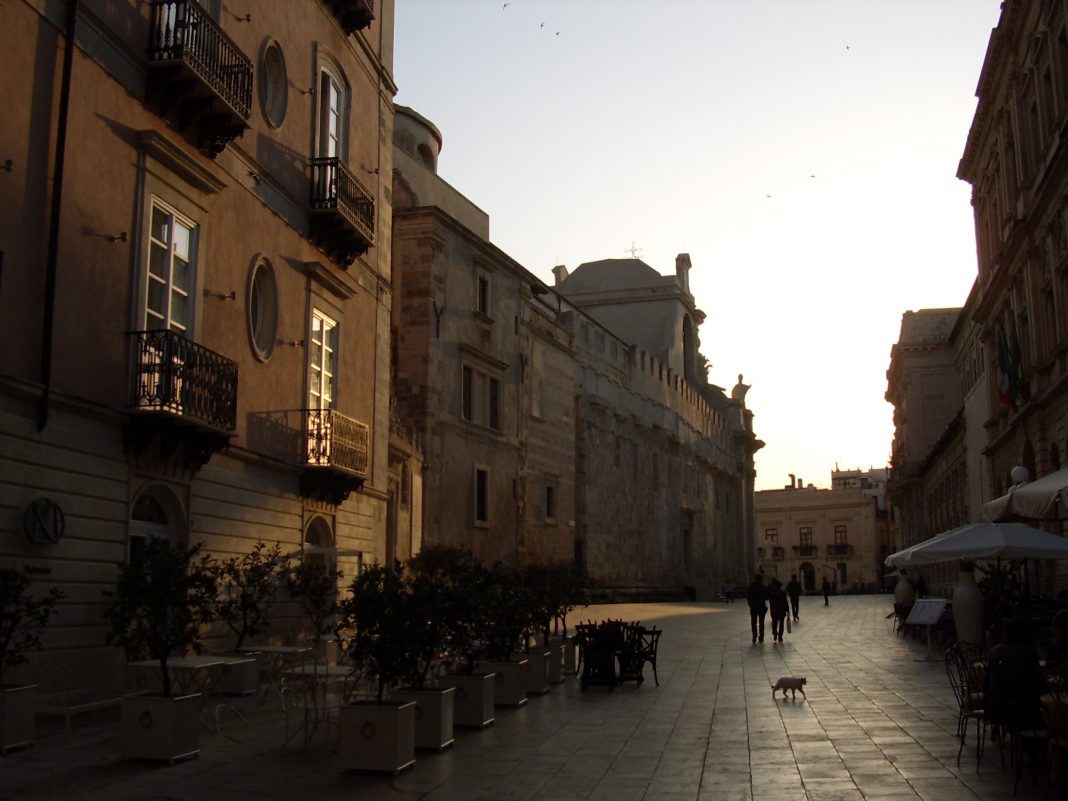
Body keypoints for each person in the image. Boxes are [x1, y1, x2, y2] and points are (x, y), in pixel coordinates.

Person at [746, 574, 768, 643]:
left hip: (754, 607)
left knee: (753, 623)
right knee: (761, 623)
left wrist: (750, 605)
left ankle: (754, 636)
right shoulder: (763, 587)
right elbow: (766, 597)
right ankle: (761, 636)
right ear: (761, 579)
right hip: (761, 606)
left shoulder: (751, 587)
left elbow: (748, 597)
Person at [768, 578, 789, 643]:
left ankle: (775, 633)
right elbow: (786, 602)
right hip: (781, 610)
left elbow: (785, 602)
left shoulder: (772, 594)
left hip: (775, 610)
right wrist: (787, 609)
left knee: (775, 623)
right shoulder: (782, 593)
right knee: (780, 623)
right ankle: (779, 636)